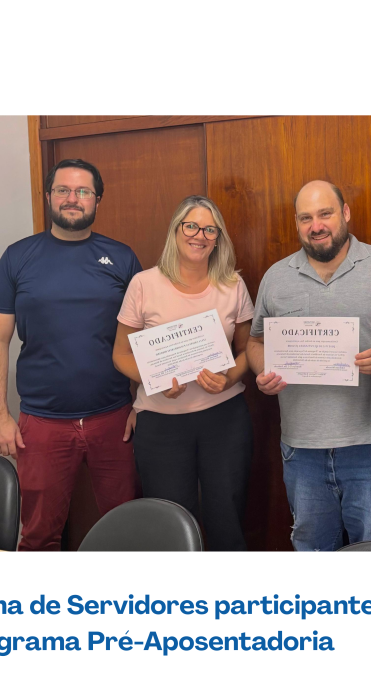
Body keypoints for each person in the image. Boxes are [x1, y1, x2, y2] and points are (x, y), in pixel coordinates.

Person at [247, 180, 371, 551]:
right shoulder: (276, 277)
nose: (316, 226)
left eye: (325, 214)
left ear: (345, 213)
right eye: (306, 218)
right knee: (313, 555)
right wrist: (263, 371)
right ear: (297, 223)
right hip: (302, 448)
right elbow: (255, 341)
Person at [0, 158, 142, 551]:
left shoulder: (122, 258)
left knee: (128, 532)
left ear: (97, 200)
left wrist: (142, 402)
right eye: (63, 190)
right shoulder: (17, 257)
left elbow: (144, 338)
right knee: (38, 535)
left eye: (83, 191)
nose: (73, 198)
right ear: (49, 196)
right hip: (41, 424)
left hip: (114, 420)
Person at [112, 196, 254, 550]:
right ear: (175, 231)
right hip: (160, 424)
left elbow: (247, 351)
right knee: (170, 525)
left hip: (224, 419)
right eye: (191, 226)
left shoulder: (233, 285)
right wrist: (154, 382)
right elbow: (120, 355)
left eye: (209, 229)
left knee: (227, 519)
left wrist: (229, 378)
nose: (199, 235)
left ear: (218, 238)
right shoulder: (143, 284)